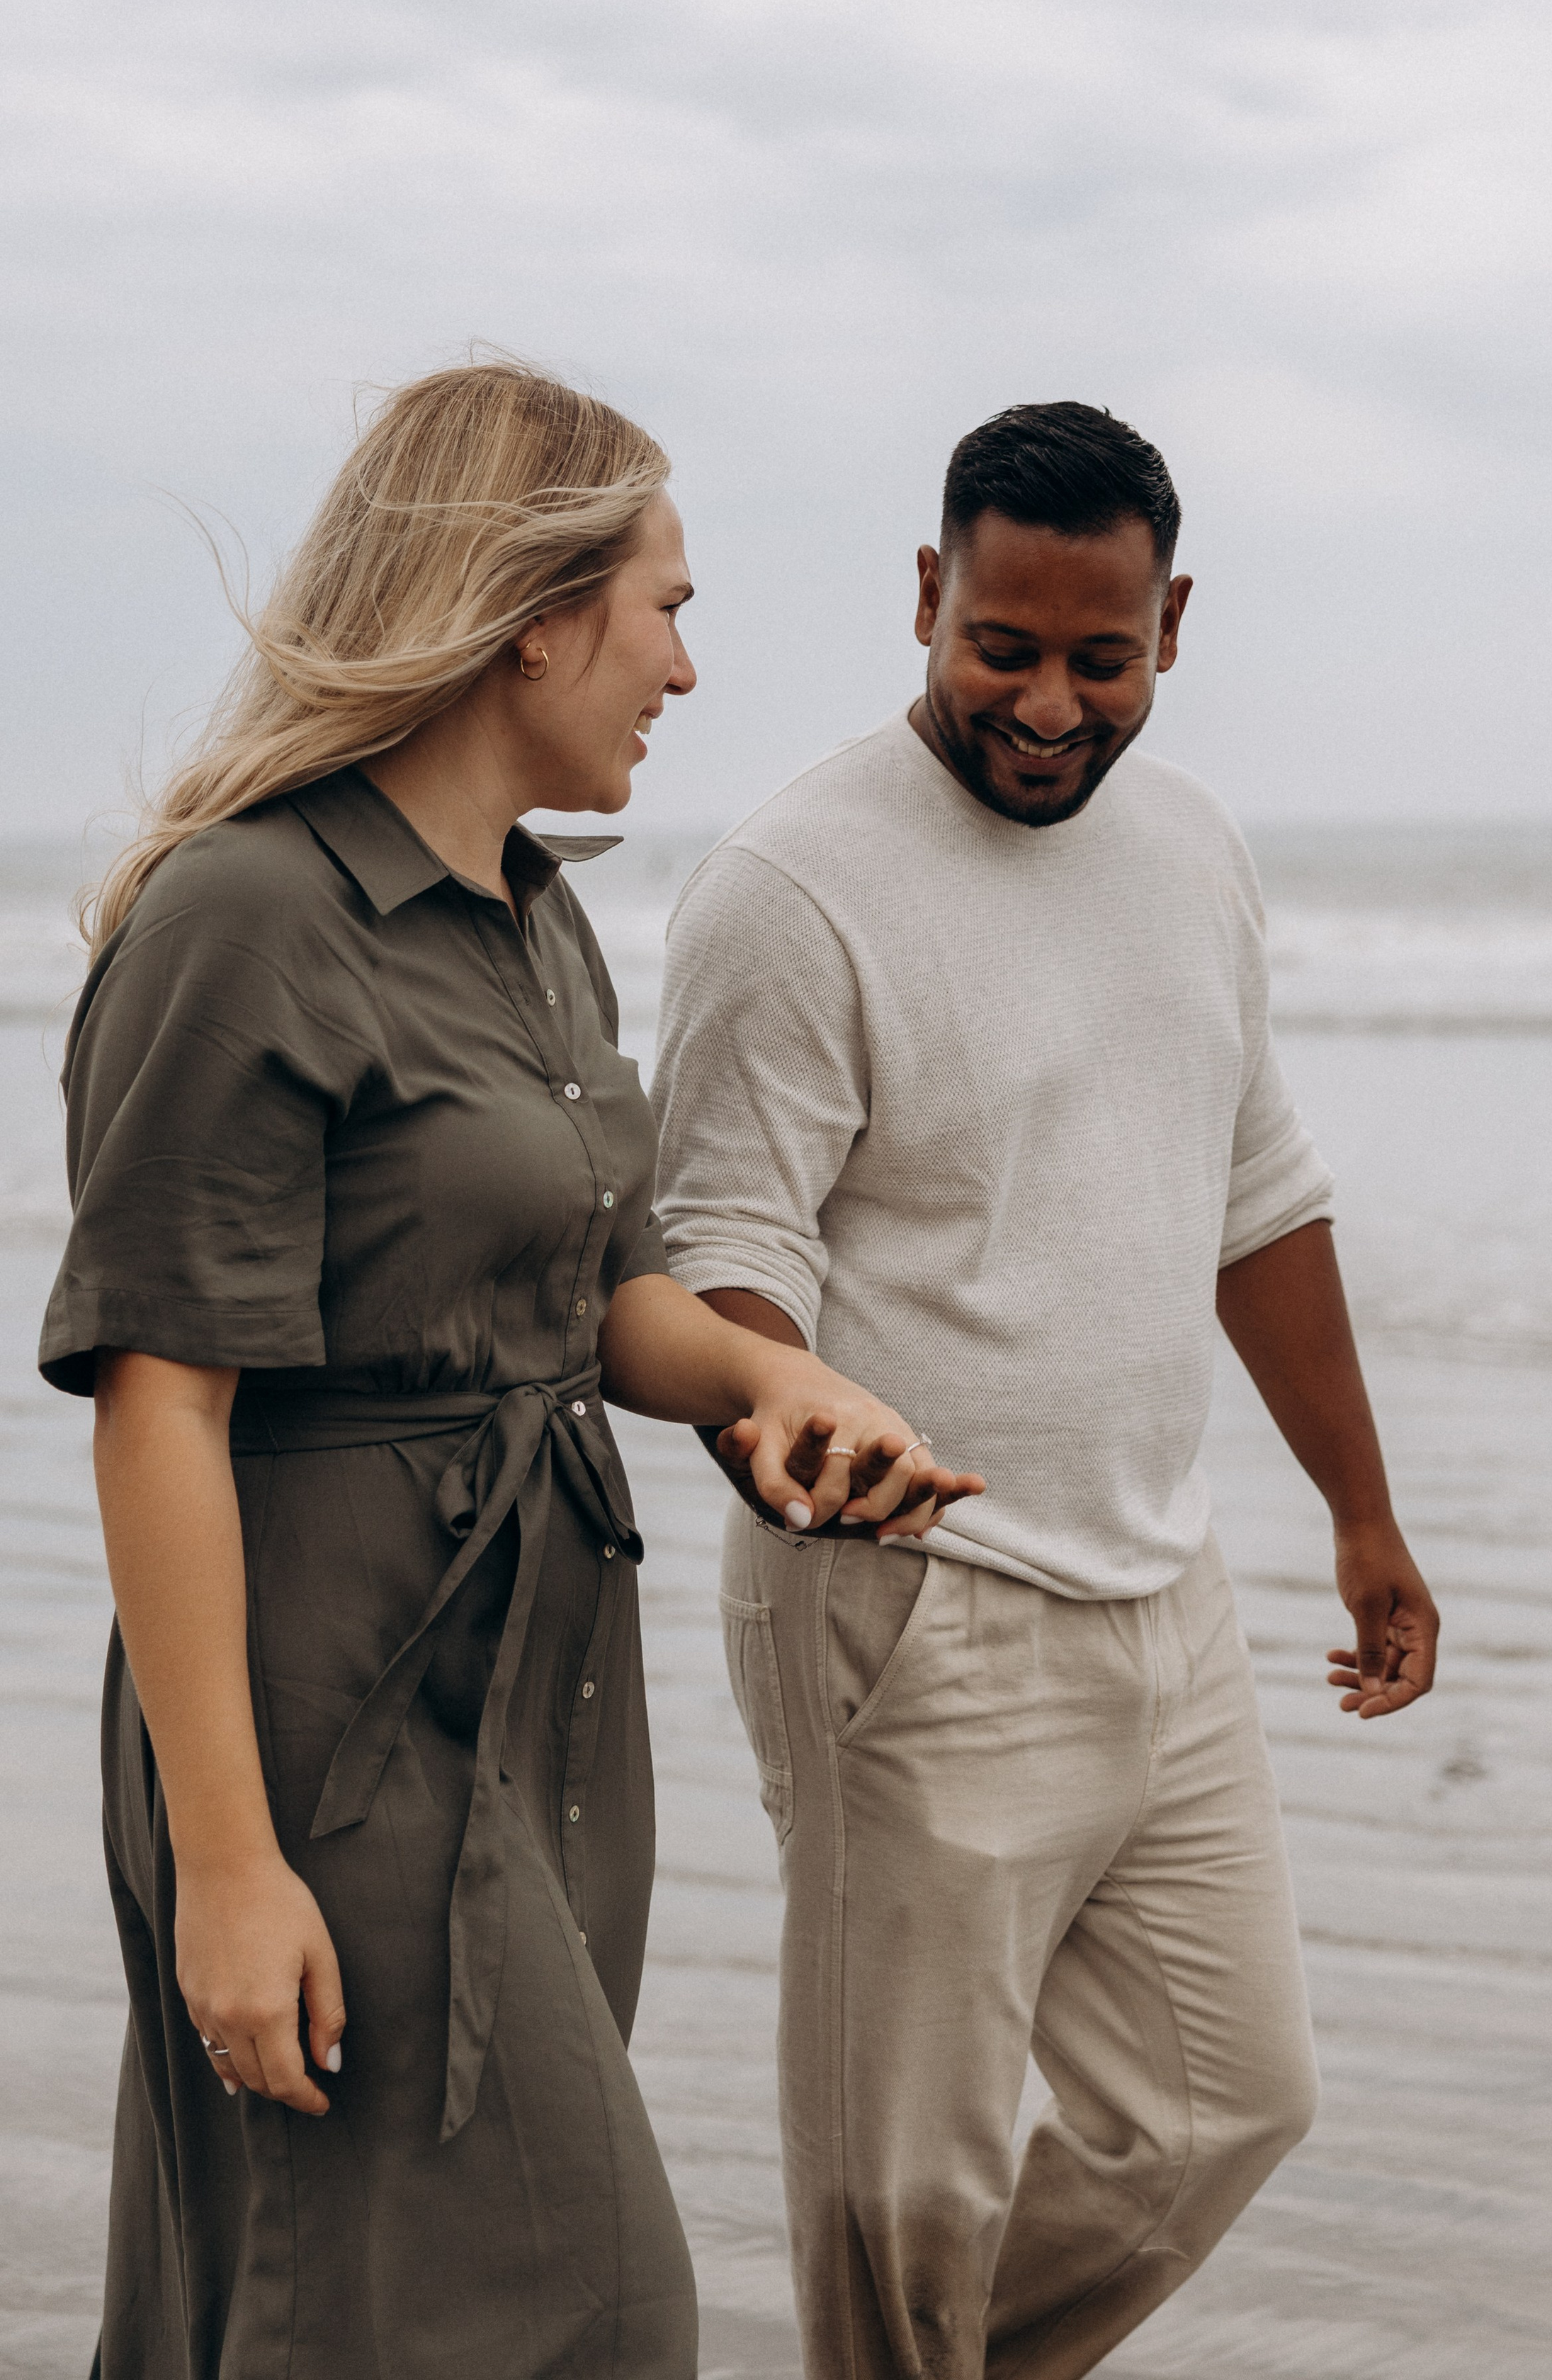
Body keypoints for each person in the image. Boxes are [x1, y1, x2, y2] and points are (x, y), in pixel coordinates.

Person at [39, 361, 978, 2380]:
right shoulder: (246, 915)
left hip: (541, 1682)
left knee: (392, 2307)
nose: (687, 666)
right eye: (669, 605)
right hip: (325, 1696)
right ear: (535, 611)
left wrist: (772, 1393)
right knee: (576, 2307)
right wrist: (226, 1860)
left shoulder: (537, 926)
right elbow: (160, 1405)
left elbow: (606, 1289)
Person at [650, 400, 1441, 2380]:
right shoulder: (792, 884)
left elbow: (1255, 1195)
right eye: (1001, 645)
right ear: (928, 597)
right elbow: (722, 1252)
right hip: (910, 1609)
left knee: (1225, 2105)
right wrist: (789, 1422)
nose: (1049, 704)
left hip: (1165, 1602)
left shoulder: (1191, 846)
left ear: (1173, 625)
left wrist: (1360, 1512)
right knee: (902, 2195)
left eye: (1103, 657)